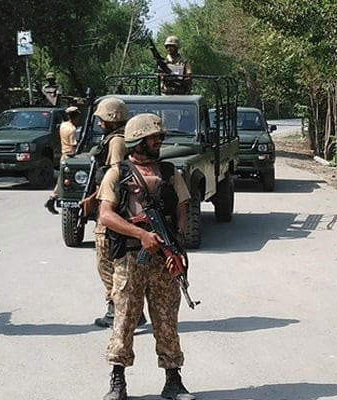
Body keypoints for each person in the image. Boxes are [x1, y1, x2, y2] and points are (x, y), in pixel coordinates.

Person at [98, 113, 194, 400]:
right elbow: (105, 215)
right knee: (125, 319)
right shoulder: (118, 173)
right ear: (138, 141)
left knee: (166, 321)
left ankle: (173, 381)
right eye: (154, 138)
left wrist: (174, 242)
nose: (159, 142)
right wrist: (140, 234)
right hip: (130, 259)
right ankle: (118, 381)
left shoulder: (169, 172)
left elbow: (182, 207)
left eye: (160, 137)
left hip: (163, 262)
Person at [78, 97, 145, 328]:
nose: (98, 123)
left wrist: (95, 197)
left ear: (110, 119)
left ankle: (118, 308)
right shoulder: (116, 138)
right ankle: (129, 309)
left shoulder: (116, 141)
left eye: (101, 118)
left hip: (111, 208)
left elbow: (116, 175)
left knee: (106, 262)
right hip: (108, 202)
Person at [45, 106, 82, 214]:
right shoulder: (72, 129)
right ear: (75, 117)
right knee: (66, 181)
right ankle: (52, 199)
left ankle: (52, 199)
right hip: (70, 157)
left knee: (60, 180)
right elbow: (74, 146)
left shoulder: (63, 125)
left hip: (63, 155)